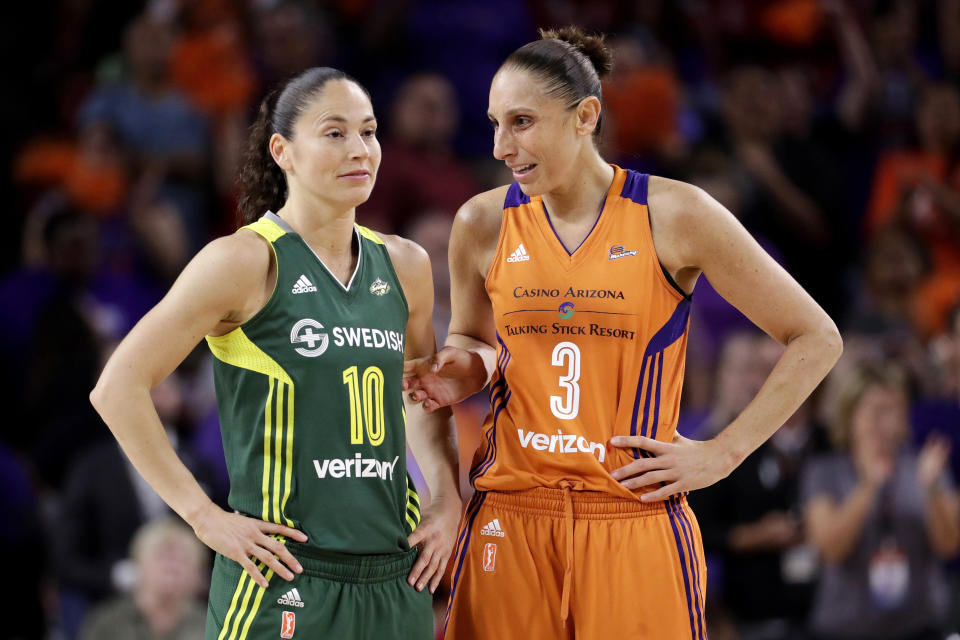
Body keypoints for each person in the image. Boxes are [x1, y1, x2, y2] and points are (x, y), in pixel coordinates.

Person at [402, 27, 843, 639]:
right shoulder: (480, 221)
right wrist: (461, 371)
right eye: (494, 123)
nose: (502, 145)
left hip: (631, 513)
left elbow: (816, 337)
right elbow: (476, 343)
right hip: (510, 510)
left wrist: (723, 452)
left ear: (586, 115)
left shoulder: (675, 214)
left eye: (522, 122)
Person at [90, 67, 462, 640]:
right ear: (282, 150)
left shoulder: (406, 264)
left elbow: (419, 394)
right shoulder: (243, 261)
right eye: (334, 133)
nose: (359, 149)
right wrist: (203, 517)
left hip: (395, 576)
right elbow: (117, 387)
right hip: (285, 578)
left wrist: (445, 494)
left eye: (368, 131)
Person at [802, 362, 960, 640]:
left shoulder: (925, 468)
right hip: (844, 628)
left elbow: (948, 545)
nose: (887, 423)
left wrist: (932, 489)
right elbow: (829, 549)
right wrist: (868, 487)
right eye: (876, 411)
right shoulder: (824, 471)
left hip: (919, 626)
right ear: (850, 417)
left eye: (895, 410)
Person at [78, 518, 208, 640]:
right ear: (138, 565)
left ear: (198, 574)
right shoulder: (107, 623)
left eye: (183, 560)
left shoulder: (211, 625)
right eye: (162, 557)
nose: (172, 568)